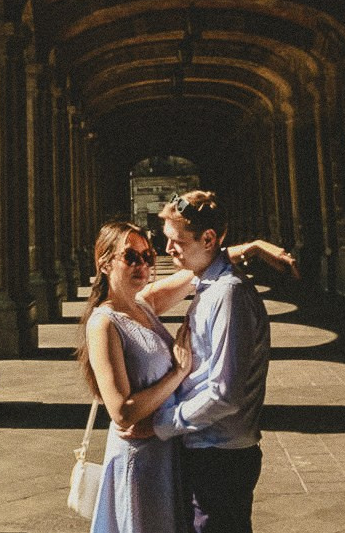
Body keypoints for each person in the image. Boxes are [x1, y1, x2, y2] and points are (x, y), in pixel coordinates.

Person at [148, 189, 291, 533]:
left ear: (208, 238)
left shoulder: (228, 295)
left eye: (176, 241)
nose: (167, 250)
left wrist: (164, 423)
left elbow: (225, 393)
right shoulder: (209, 286)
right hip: (210, 449)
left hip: (220, 457)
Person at [79, 220, 195, 533]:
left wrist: (253, 248)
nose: (142, 265)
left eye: (147, 256)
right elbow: (122, 411)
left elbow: (197, 268)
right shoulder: (103, 324)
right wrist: (178, 373)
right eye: (130, 257)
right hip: (139, 460)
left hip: (164, 448)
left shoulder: (144, 303)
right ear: (105, 262)